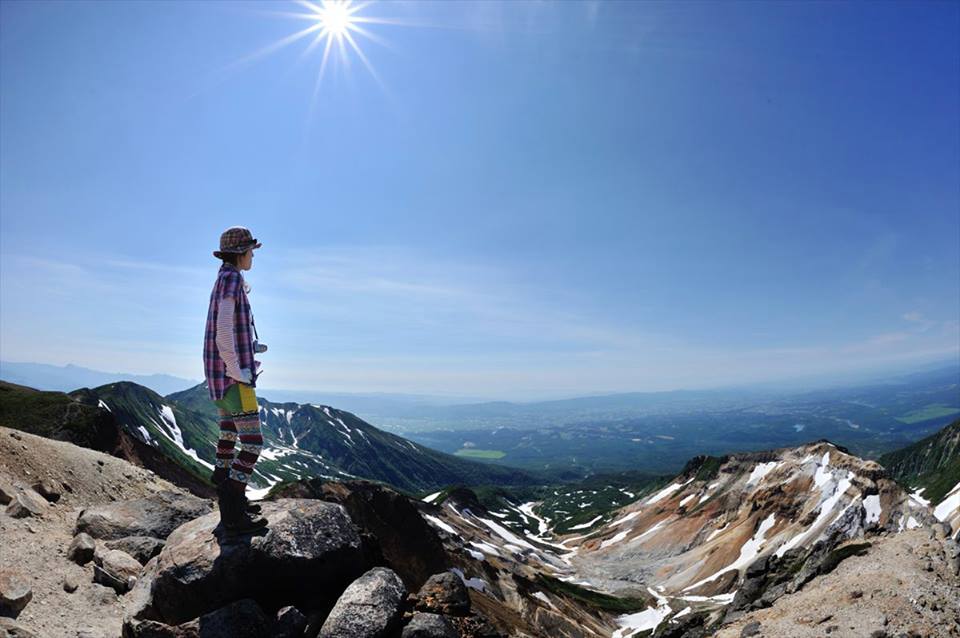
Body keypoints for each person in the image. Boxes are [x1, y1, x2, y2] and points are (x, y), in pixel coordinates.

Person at [203, 226, 269, 536]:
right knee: (254, 442)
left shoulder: (224, 278)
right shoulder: (231, 279)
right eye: (251, 250)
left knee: (229, 432)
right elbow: (224, 332)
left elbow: (226, 329)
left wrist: (252, 348)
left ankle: (228, 492)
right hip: (233, 379)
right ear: (240, 252)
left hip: (219, 375)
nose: (253, 255)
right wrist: (237, 369)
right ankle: (233, 505)